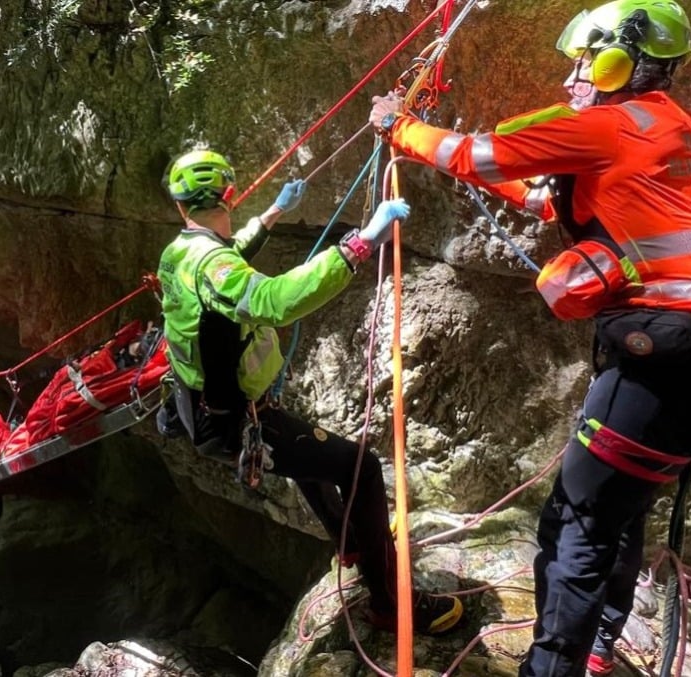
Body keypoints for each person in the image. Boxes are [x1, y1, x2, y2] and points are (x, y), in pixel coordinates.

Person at [368, 0, 691, 674]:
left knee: (575, 529)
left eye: (583, 62)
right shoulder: (684, 132)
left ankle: (551, 667)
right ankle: (603, 642)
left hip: (658, 379)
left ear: (620, 61)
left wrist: (399, 126)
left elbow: (477, 154)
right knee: (621, 504)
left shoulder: (608, 126)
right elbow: (566, 197)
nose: (570, 79)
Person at [155, 148, 464, 636]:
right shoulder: (209, 264)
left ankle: (352, 542)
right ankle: (390, 603)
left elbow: (224, 258)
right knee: (360, 466)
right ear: (230, 194)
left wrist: (274, 214)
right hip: (236, 423)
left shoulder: (179, 253)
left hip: (203, 411)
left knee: (309, 460)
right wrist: (359, 245)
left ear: (180, 207)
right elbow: (271, 300)